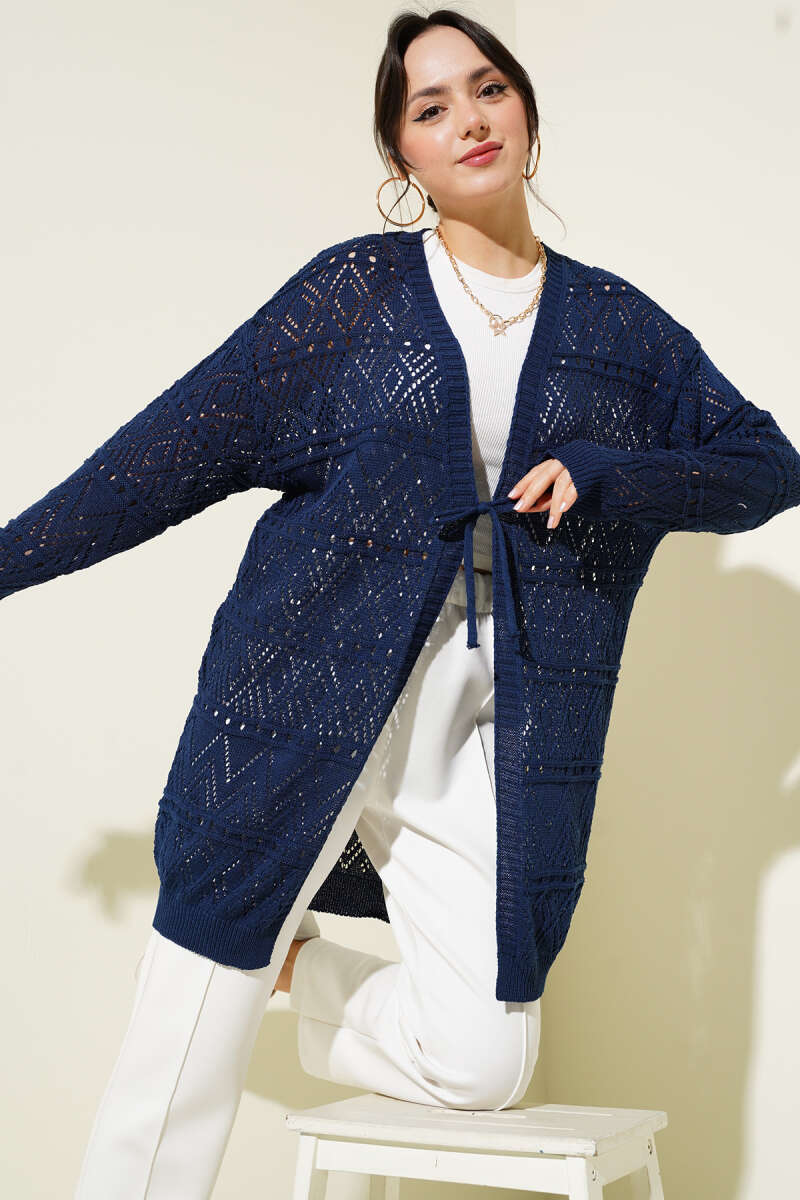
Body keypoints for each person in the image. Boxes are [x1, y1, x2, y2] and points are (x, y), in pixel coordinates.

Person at [2, 10, 798, 1200]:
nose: (466, 119)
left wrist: (608, 475)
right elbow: (166, 454)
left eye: (486, 88)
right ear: (400, 156)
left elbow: (764, 465)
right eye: (431, 108)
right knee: (175, 1074)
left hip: (477, 724)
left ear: (524, 110)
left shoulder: (617, 331)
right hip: (298, 702)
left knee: (483, 1061)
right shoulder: (353, 298)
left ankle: (299, 970)